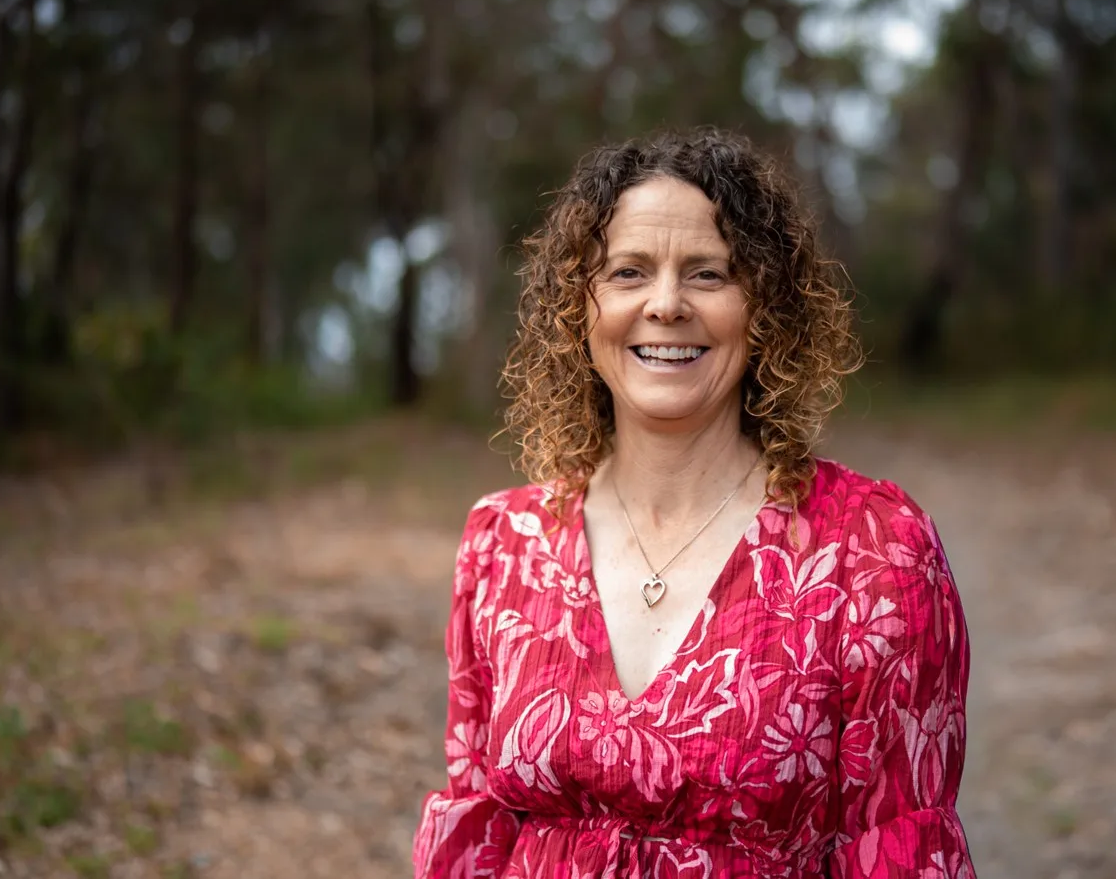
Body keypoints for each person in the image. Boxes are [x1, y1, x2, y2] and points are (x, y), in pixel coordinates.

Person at [413, 128, 975, 878]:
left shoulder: (875, 553)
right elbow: (475, 824)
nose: (666, 304)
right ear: (578, 308)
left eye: (708, 274)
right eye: (628, 272)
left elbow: (901, 848)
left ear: (766, 306)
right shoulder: (503, 542)